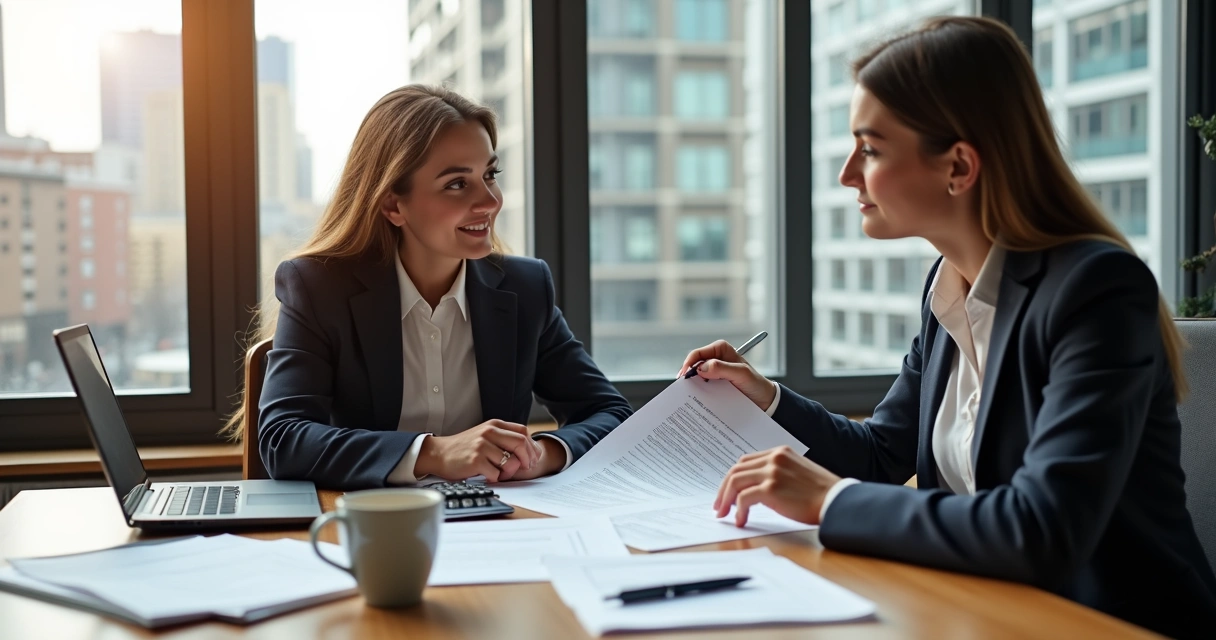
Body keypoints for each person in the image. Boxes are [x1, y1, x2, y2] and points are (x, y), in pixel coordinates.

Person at [680, 16, 1216, 639]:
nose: (848, 174)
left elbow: (1041, 528)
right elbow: (883, 454)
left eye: (872, 148)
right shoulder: (951, 283)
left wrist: (827, 501)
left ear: (958, 166)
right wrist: (765, 396)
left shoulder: (1097, 291)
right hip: (980, 612)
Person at [223, 85, 632, 490]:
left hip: (498, 527)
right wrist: (434, 453)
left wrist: (545, 453)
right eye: (457, 183)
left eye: (490, 175)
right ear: (393, 206)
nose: (489, 201)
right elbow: (284, 440)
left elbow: (609, 412)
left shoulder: (525, 289)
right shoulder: (318, 286)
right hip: (376, 530)